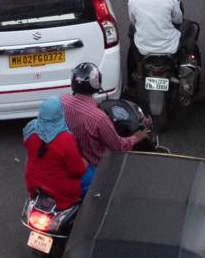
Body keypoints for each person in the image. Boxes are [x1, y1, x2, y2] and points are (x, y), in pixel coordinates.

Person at [59, 63, 146, 195]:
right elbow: (118, 146)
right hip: (94, 165)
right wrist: (136, 138)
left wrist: (94, 105)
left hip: (69, 160)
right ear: (96, 84)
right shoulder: (99, 118)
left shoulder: (63, 100)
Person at [22, 96, 88, 210]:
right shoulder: (65, 138)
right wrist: (85, 163)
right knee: (94, 177)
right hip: (60, 188)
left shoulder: (31, 128)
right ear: (60, 114)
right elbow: (77, 171)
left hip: (34, 180)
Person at [127, 0, 185, 81]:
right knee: (190, 27)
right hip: (170, 47)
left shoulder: (133, 1)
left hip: (143, 49)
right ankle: (187, 63)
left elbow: (133, 22)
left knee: (131, 30)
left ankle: (138, 66)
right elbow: (178, 19)